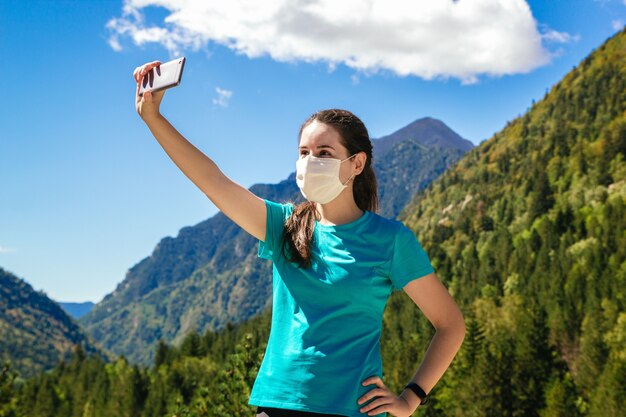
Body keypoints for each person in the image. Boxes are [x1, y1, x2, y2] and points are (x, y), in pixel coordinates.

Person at [134, 60, 466, 417]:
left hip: (353, 409)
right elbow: (213, 181)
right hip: (277, 405)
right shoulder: (284, 225)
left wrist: (410, 398)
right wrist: (153, 118)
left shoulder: (390, 240)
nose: (310, 162)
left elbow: (450, 325)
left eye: (324, 153)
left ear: (356, 164)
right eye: (304, 153)